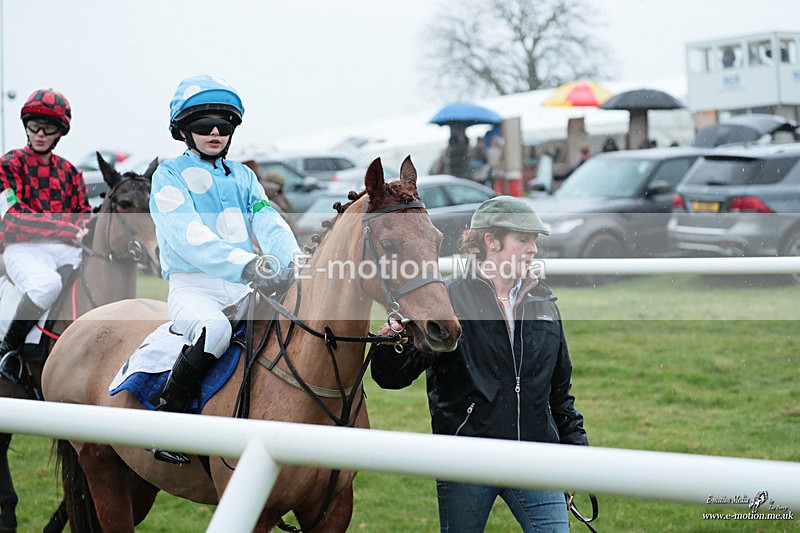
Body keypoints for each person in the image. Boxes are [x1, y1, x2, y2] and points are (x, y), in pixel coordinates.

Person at [369, 196, 588, 532]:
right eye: (524, 240)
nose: (533, 250)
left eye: (534, 242)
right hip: (467, 460)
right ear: (491, 240)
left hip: (537, 456)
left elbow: (559, 391)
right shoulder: (448, 300)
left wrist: (578, 453)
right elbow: (392, 377)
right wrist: (390, 343)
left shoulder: (543, 300)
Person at [148, 74, 301, 463]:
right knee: (214, 329)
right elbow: (188, 234)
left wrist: (293, 262)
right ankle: (168, 421)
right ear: (184, 131)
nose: (215, 131)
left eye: (224, 124)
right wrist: (248, 264)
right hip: (193, 286)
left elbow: (268, 220)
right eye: (203, 124)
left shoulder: (245, 176)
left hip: (240, 282)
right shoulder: (168, 175)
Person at [0, 89, 91, 383]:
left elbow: (84, 215)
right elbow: (14, 216)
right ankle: (8, 350)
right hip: (21, 247)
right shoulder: (9, 164)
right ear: (25, 126)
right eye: (34, 126)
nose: (39, 133)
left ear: (59, 133)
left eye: (48, 127)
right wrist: (67, 229)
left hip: (64, 248)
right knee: (45, 284)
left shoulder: (71, 173)